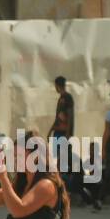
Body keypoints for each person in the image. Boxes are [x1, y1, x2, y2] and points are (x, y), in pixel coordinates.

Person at [47, 76, 85, 204]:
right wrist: (51, 130)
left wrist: (68, 133)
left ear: (57, 85)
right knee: (57, 158)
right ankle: (58, 186)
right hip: (58, 132)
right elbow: (58, 117)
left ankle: (63, 188)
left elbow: (70, 116)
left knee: (63, 159)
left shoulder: (68, 98)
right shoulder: (61, 99)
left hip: (63, 133)